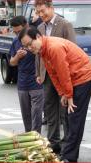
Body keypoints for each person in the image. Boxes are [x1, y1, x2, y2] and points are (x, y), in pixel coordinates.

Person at [18, 26, 91, 162]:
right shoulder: (43, 50)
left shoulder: (53, 48)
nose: (30, 48)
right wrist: (63, 93)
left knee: (75, 118)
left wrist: (69, 95)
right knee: (67, 116)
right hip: (73, 78)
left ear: (38, 37)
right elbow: (53, 74)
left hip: (83, 76)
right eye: (26, 46)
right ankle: (68, 153)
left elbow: (63, 73)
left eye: (30, 44)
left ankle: (69, 158)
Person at [34, 0, 76, 153]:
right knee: (50, 109)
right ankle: (54, 142)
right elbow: (37, 53)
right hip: (46, 74)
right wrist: (38, 72)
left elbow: (72, 49)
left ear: (51, 8)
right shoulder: (39, 27)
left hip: (63, 74)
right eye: (38, 12)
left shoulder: (65, 24)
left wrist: (70, 75)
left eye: (43, 11)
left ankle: (68, 143)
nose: (41, 14)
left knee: (65, 110)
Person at [9, 16, 44, 134]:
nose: (17, 34)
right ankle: (28, 136)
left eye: (19, 31)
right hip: (22, 82)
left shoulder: (36, 38)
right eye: (15, 31)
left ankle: (36, 136)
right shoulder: (15, 41)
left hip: (37, 81)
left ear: (26, 26)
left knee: (37, 112)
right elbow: (12, 62)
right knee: (26, 113)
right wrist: (18, 56)